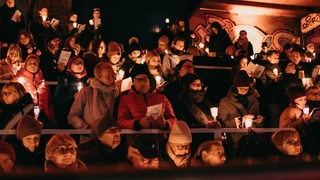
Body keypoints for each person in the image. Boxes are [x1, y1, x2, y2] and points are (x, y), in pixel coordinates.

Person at [68, 62, 119, 143]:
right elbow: (73, 116)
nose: (112, 79)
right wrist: (86, 128)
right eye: (108, 77)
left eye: (113, 75)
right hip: (90, 140)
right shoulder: (86, 92)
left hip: (109, 141)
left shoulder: (116, 93)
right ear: (98, 77)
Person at [218, 70, 264, 158]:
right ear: (235, 87)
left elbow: (259, 124)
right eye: (241, 88)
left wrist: (259, 120)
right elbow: (222, 124)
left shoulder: (254, 101)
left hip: (253, 140)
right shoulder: (225, 102)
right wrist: (240, 120)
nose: (244, 91)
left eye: (246, 89)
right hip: (236, 142)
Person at [117, 64, 176, 130]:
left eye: (145, 80)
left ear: (149, 81)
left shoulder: (162, 98)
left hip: (160, 138)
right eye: (139, 80)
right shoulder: (126, 100)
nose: (142, 83)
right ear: (133, 82)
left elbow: (173, 119)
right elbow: (121, 122)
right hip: (137, 139)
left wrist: (166, 124)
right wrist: (138, 123)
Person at [12, 54, 54, 122]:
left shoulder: (43, 84)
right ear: (25, 65)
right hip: (25, 120)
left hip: (44, 120)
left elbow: (49, 103)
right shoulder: (17, 81)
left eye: (35, 63)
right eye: (30, 63)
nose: (32, 65)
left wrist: (51, 119)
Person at [54, 56, 89, 129]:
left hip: (85, 118)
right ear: (70, 64)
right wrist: (73, 98)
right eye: (76, 62)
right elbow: (57, 100)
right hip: (67, 117)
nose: (80, 65)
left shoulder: (87, 81)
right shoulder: (65, 80)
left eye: (81, 63)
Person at [257, 50, 286, 127]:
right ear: (268, 58)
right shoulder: (264, 69)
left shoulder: (280, 67)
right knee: (274, 121)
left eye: (278, 58)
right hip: (272, 99)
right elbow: (262, 85)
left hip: (282, 97)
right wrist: (273, 81)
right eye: (274, 58)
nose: (276, 59)